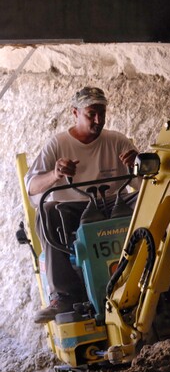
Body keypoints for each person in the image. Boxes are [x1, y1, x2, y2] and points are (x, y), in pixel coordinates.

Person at [25, 86, 138, 324]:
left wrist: (135, 167)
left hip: (112, 203)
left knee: (154, 202)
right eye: (91, 114)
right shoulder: (57, 144)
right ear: (75, 113)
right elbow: (32, 186)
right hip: (72, 210)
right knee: (46, 212)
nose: (98, 120)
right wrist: (55, 174)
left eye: (102, 113)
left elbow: (142, 183)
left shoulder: (117, 141)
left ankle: (158, 278)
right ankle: (64, 295)